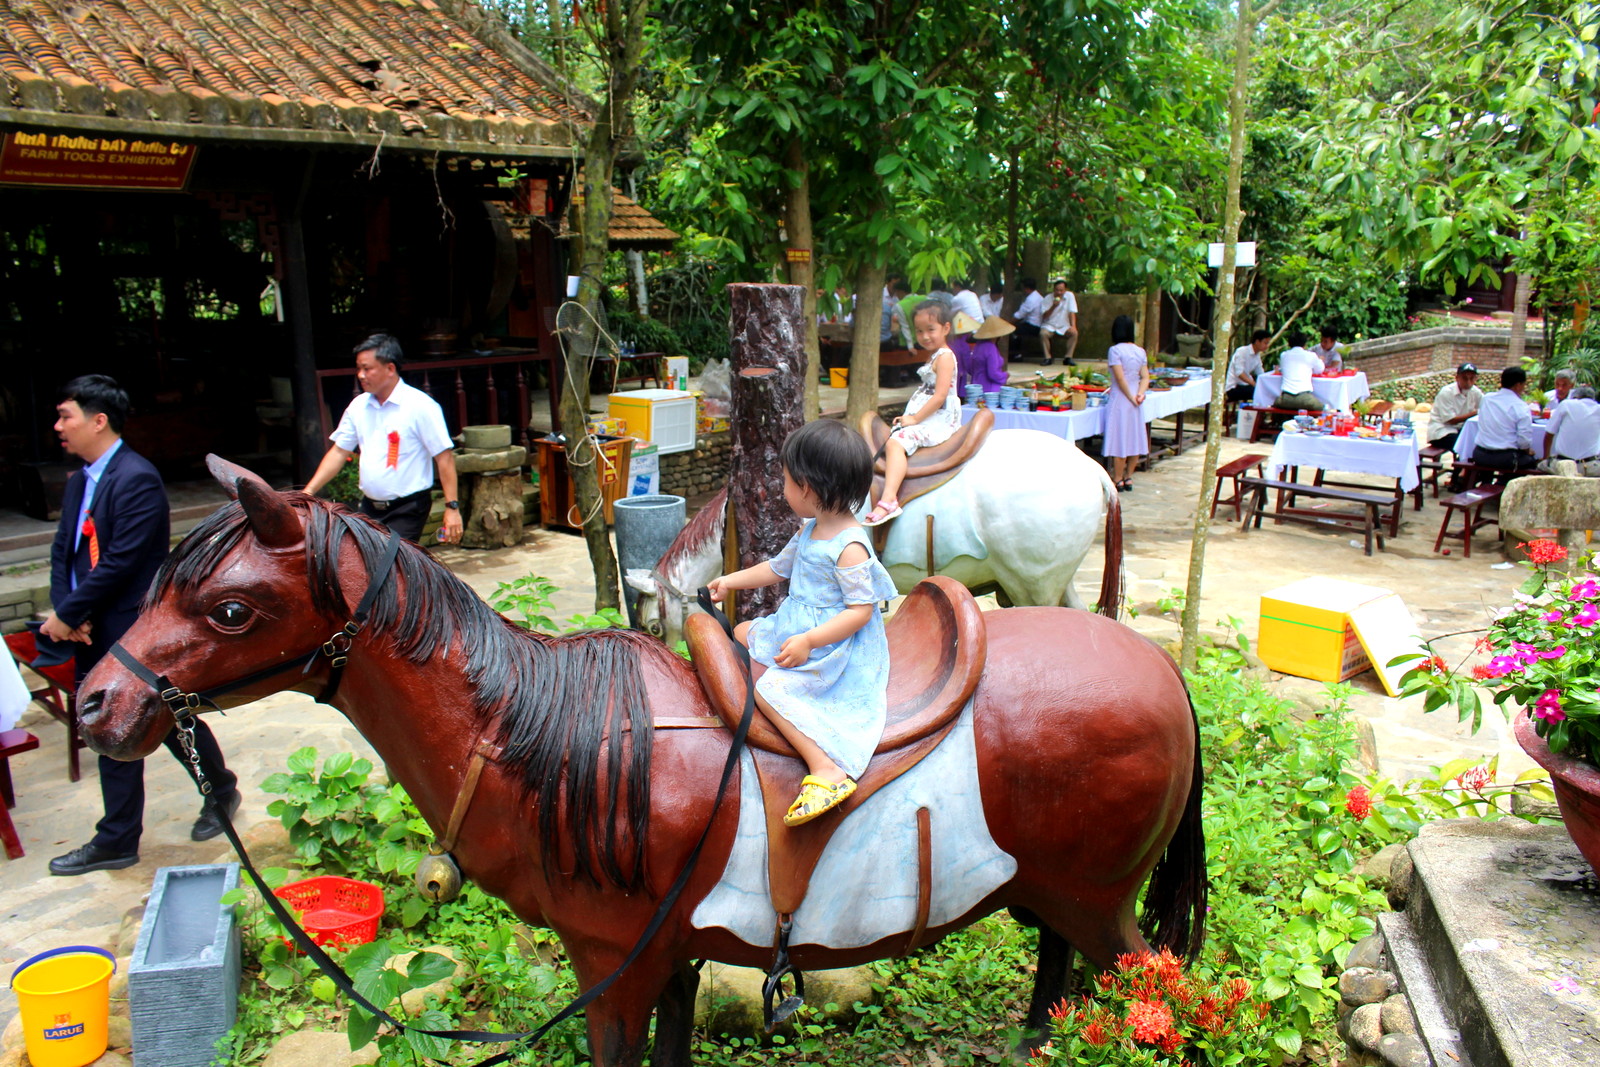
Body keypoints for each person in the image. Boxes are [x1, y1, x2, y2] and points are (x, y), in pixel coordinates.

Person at [42, 375, 241, 876]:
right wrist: (67, 610)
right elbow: (64, 552)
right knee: (143, 719)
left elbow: (122, 562)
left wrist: (70, 615)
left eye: (66, 415)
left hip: (130, 629)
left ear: (98, 420)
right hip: (91, 624)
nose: (58, 426)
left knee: (146, 717)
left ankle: (128, 831)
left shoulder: (136, 478)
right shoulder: (81, 481)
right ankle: (191, 801)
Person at [707, 419, 897, 826]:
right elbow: (778, 568)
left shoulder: (850, 547)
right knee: (741, 632)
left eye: (788, 482)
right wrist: (729, 581)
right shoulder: (811, 529)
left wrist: (810, 641)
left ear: (808, 488)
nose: (784, 489)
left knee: (772, 690)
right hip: (799, 627)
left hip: (832, 644)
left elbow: (860, 612)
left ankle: (826, 768)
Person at [305, 334, 464, 544]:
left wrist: (451, 507)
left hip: (409, 508)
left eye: (367, 368)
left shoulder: (421, 406)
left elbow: (444, 458)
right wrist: (309, 491)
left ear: (390, 368)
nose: (361, 375)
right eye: (358, 369)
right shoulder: (358, 406)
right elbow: (339, 451)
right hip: (370, 507)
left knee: (390, 565)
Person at [865, 300, 961, 526]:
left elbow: (939, 397)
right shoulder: (935, 355)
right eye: (919, 331)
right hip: (927, 416)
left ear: (946, 328)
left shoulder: (945, 357)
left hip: (939, 420)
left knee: (896, 443)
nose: (925, 336)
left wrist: (915, 419)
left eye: (931, 330)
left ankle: (889, 499)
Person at [1103, 315, 1151, 492]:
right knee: (1134, 437)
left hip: (1121, 399)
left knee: (1120, 439)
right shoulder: (1140, 351)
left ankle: (1117, 477)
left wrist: (1131, 397)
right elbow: (1145, 376)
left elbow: (1120, 377)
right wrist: (1140, 394)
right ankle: (1128, 476)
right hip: (1136, 400)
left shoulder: (1115, 350)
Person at [1474, 366, 1539, 473]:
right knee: (1531, 461)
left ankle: (1486, 482)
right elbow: (1524, 442)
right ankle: (1504, 484)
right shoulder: (1521, 406)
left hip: (1480, 454)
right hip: (1506, 458)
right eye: (1523, 385)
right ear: (1518, 385)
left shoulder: (1487, 399)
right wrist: (1528, 451)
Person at [1542, 384, 1600, 475]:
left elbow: (1549, 434)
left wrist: (1546, 457)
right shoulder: (1598, 408)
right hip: (1590, 467)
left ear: (1576, 397)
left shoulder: (1566, 404)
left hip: (1562, 465)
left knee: (1540, 465)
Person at [1427, 363, 1483, 455]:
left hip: (1461, 430)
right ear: (1457, 378)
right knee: (1464, 445)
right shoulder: (1446, 392)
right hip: (1442, 431)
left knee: (1478, 442)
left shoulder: (1475, 392)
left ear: (1476, 379)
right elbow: (1450, 420)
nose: (1468, 382)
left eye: (1472, 378)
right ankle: (1461, 468)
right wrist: (1475, 413)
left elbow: (1484, 408)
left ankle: (1465, 467)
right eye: (1465, 378)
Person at [1276, 331, 1326, 412]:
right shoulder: (1311, 355)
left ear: (1289, 344)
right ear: (1304, 344)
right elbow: (1320, 369)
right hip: (1305, 399)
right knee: (1323, 407)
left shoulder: (1283, 355)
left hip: (1285, 399)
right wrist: (1320, 360)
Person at [962, 315, 1013, 393]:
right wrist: (1005, 375)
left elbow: (970, 368)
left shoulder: (978, 346)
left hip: (976, 388)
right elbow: (993, 373)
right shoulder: (991, 348)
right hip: (989, 389)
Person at [1038, 279, 1079, 367]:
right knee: (1043, 334)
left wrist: (1073, 326)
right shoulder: (1047, 298)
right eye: (1057, 290)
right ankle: (1047, 357)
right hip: (1049, 325)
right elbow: (1044, 316)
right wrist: (1053, 306)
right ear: (1054, 289)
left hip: (1064, 325)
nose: (1059, 292)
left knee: (1074, 333)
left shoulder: (1070, 296)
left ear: (1065, 290)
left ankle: (1068, 357)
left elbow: (1072, 312)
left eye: (1061, 290)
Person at [1226, 329, 1271, 403]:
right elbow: (1239, 373)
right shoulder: (1242, 351)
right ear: (1257, 342)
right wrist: (1254, 384)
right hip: (1234, 387)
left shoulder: (1257, 356)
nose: (1267, 346)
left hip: (1245, 385)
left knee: (1266, 391)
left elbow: (1260, 373)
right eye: (1265, 343)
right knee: (1260, 392)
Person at [1009, 277, 1045, 362]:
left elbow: (1020, 315)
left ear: (1027, 288)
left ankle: (1016, 354)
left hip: (1034, 326)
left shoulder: (1031, 299)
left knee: (1013, 330)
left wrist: (1008, 323)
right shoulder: (1037, 296)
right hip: (1034, 324)